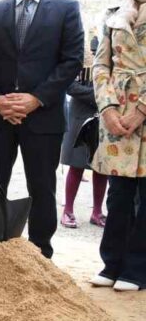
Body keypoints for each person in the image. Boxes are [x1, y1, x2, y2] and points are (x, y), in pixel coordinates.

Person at [0, 0, 84, 259]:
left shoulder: (66, 9)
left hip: (43, 118)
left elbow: (72, 60)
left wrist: (36, 98)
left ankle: (40, 255)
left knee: (42, 188)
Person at [87, 0, 146, 292]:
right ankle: (111, 263)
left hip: (142, 110)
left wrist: (141, 110)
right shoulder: (113, 13)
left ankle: (137, 270)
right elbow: (100, 65)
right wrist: (108, 108)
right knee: (118, 193)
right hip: (117, 114)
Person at [60, 75, 108, 228]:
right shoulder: (81, 52)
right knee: (77, 163)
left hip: (108, 113)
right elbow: (70, 85)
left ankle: (97, 212)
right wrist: (98, 95)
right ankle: (67, 211)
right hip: (81, 112)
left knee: (102, 166)